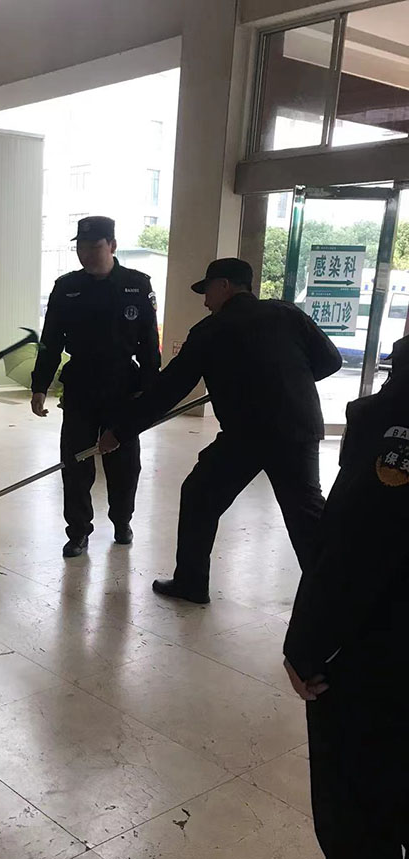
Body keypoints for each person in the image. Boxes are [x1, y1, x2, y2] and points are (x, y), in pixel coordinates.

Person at [249, 336, 409, 859]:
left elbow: (359, 547)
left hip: (386, 664)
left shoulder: (400, 417)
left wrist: (308, 646)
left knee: (362, 820)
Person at [99, 257, 342, 603]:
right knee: (306, 514)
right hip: (298, 427)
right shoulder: (287, 313)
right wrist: (287, 378)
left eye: (207, 291)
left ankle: (191, 583)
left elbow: (167, 391)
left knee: (200, 495)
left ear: (225, 285)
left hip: (247, 434)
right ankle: (335, 600)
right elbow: (331, 360)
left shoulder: (210, 331)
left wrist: (120, 432)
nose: (205, 301)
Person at [30, 215, 161, 558]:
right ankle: (78, 531)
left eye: (94, 246)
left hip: (123, 385)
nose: (86, 254)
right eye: (81, 247)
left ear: (112, 246)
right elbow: (50, 341)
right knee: (75, 462)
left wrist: (150, 392)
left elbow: (149, 344)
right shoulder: (67, 287)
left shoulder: (136, 285)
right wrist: (39, 385)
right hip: (81, 384)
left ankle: (122, 520)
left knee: (124, 463)